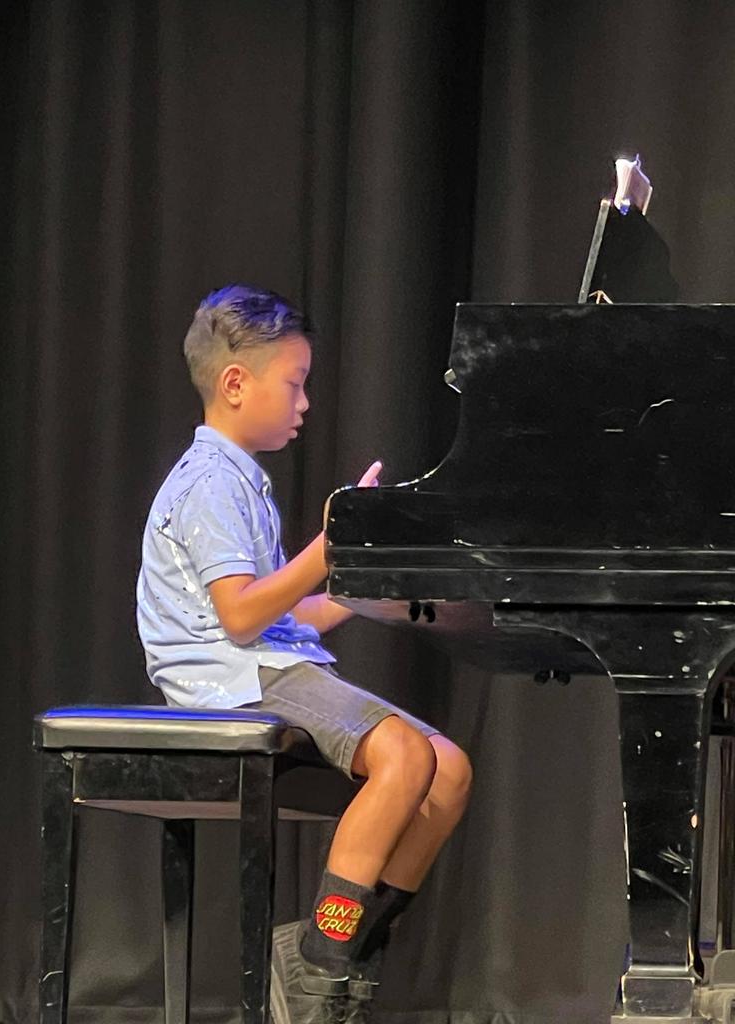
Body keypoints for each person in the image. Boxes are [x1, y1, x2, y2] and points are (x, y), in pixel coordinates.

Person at [136, 284, 473, 1024]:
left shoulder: (240, 484)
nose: (305, 403)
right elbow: (239, 614)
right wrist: (328, 548)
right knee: (406, 759)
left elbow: (283, 613)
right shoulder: (210, 485)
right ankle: (319, 964)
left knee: (447, 771)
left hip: (267, 662)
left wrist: (356, 593)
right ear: (234, 384)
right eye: (293, 383)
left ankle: (343, 952)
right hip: (232, 679)